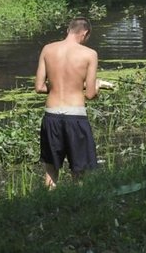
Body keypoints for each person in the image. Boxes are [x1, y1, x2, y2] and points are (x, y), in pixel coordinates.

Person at [34, 16, 102, 189]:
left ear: (68, 30)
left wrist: (57, 86)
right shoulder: (90, 54)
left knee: (51, 169)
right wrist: (96, 87)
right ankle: (76, 202)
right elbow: (90, 94)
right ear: (85, 33)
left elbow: (39, 87)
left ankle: (49, 200)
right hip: (75, 116)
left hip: (51, 115)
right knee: (79, 171)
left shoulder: (48, 49)